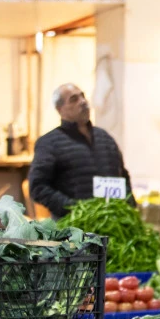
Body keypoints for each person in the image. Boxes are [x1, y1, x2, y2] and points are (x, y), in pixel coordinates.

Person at [29, 83, 132, 218]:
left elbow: (123, 176)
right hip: (74, 228)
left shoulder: (105, 138)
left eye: (82, 96)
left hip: (112, 225)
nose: (83, 102)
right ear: (60, 109)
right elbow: (38, 187)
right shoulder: (49, 143)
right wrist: (74, 209)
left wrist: (130, 209)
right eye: (74, 99)